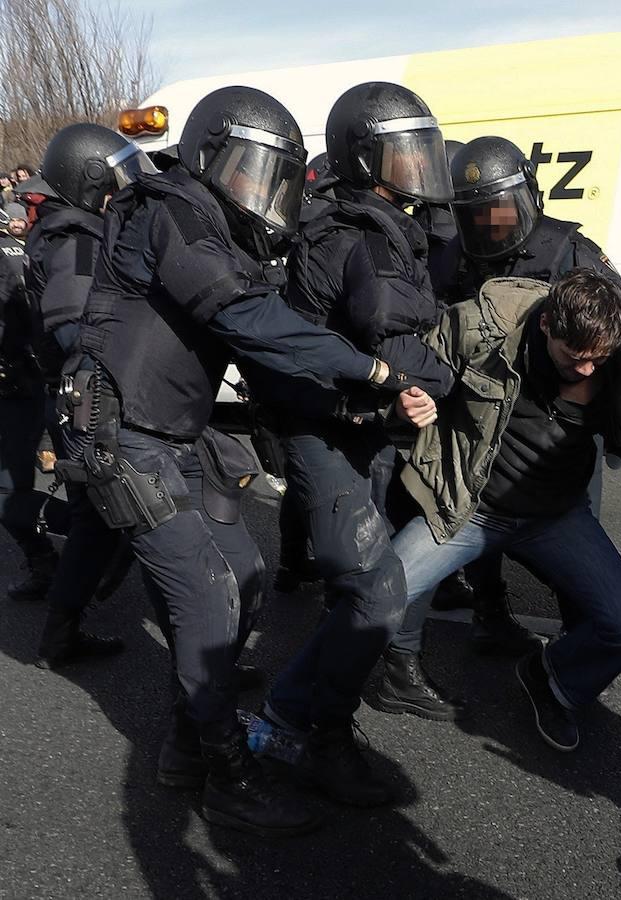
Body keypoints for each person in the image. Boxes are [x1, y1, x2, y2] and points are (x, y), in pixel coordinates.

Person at [69, 85, 408, 836]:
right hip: (122, 435)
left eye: (274, 178)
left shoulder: (220, 232)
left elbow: (267, 354)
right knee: (206, 598)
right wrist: (370, 371)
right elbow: (245, 319)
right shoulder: (169, 210)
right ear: (208, 157)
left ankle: (185, 747)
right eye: (251, 173)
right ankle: (227, 773)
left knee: (247, 581)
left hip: (173, 437)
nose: (264, 194)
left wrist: (350, 406)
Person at [379, 136, 621, 720]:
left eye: (499, 212)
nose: (490, 228)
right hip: (470, 433)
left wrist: (581, 389)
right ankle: (473, 623)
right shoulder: (451, 254)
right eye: (475, 214)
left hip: (554, 442)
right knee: (435, 533)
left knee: (582, 566)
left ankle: (571, 668)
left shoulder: (566, 248)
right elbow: (427, 329)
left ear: (525, 198)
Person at [253, 81, 458, 806]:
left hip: (359, 423)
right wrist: (448, 377)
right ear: (363, 157)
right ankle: (313, 731)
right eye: (404, 153)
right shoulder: (358, 233)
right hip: (327, 429)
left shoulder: (374, 219)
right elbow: (395, 334)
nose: (419, 167)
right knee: (372, 589)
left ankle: (302, 705)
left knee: (369, 584)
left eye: (421, 151)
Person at [390, 269, 621, 750]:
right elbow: (411, 370)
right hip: (470, 508)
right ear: (549, 324)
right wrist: (403, 401)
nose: (587, 370)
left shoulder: (613, 361)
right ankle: (307, 717)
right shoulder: (479, 329)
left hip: (554, 516)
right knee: (372, 596)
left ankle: (552, 678)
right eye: (575, 359)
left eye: (598, 360)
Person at [16, 124, 155, 651]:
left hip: (83, 401)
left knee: (96, 519)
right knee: (110, 515)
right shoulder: (75, 243)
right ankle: (65, 626)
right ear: (90, 180)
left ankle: (65, 624)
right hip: (91, 405)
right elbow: (78, 331)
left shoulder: (80, 232)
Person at [1, 203, 68, 594]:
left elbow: (19, 322)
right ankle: (44, 561)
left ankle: (105, 535)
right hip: (22, 384)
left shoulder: (7, 255)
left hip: (17, 388)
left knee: (9, 493)